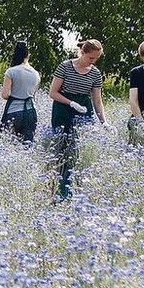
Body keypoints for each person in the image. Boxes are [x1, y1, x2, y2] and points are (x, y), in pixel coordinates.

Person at [47, 40, 107, 199]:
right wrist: (71, 103)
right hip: (63, 110)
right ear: (83, 53)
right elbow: (53, 92)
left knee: (79, 152)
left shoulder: (95, 73)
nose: (93, 61)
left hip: (83, 111)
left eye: (96, 59)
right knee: (63, 151)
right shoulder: (65, 66)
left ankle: (76, 192)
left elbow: (97, 100)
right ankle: (60, 192)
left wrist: (104, 121)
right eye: (91, 58)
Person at [0, 41, 40, 143]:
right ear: (28, 55)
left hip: (14, 111)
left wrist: (17, 96)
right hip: (31, 112)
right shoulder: (36, 74)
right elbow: (33, 96)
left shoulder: (11, 71)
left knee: (9, 144)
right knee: (27, 145)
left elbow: (4, 95)